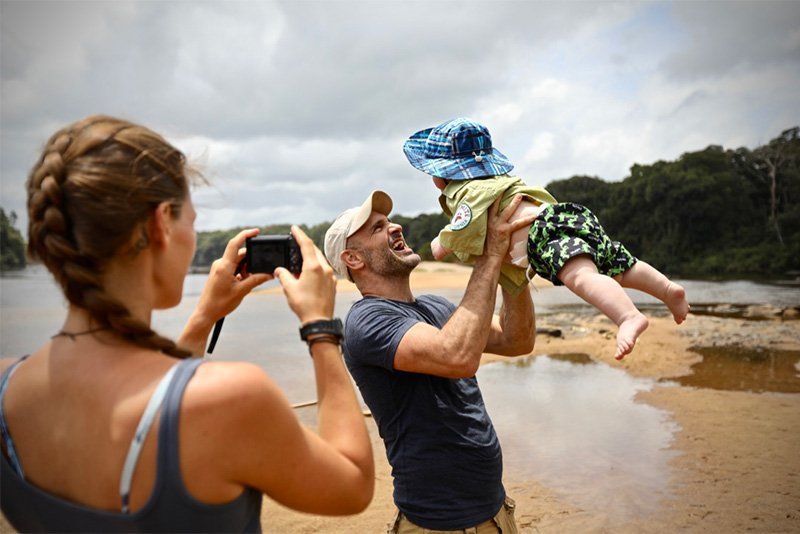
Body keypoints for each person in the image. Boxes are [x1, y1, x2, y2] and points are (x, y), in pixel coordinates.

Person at [0, 115, 373, 532]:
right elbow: (353, 484)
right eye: (191, 221)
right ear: (161, 223)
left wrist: (203, 318)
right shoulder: (230, 398)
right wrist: (319, 327)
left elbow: (155, 392)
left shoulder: (7, 387)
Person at [324, 189, 536, 533]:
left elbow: (517, 340)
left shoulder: (436, 307)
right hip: (437, 523)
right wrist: (489, 257)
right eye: (378, 228)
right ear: (354, 260)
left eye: (390, 221)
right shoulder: (366, 320)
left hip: (495, 511)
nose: (395, 227)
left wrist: (513, 269)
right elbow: (457, 357)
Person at [403, 117, 690, 360]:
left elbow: (463, 224)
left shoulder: (468, 192)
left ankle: (628, 316)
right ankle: (666, 289)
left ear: (441, 175)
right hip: (565, 216)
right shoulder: (502, 182)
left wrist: (441, 243)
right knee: (617, 264)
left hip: (545, 235)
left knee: (580, 278)